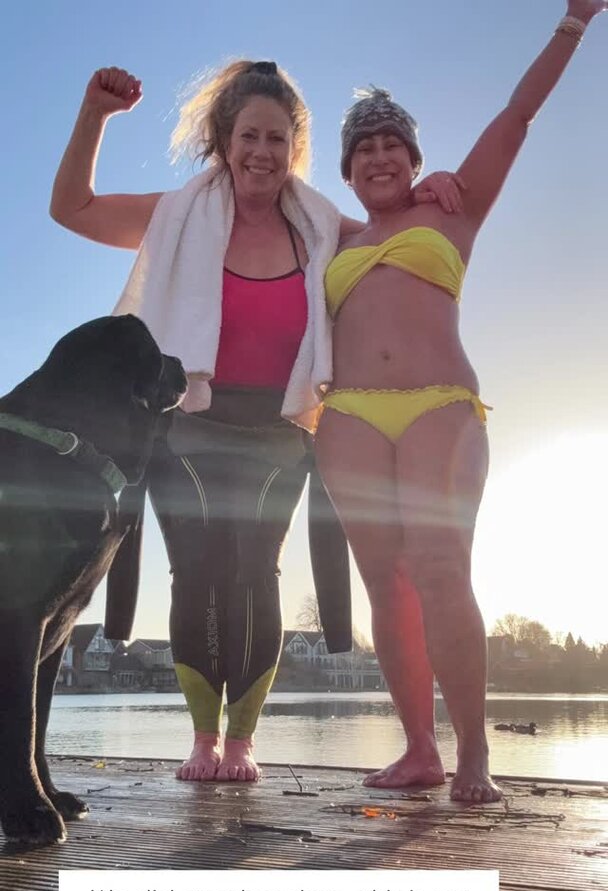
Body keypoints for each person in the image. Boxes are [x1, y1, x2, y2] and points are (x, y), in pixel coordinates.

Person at [50, 61, 461, 783]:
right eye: (249, 136)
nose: (262, 152)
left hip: (278, 433)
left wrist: (429, 191)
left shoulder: (320, 227)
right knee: (195, 571)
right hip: (186, 423)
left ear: (294, 149)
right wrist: (94, 114)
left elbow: (395, 242)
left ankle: (241, 742)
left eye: (277, 138)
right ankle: (202, 740)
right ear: (224, 140)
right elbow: (72, 208)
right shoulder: (178, 213)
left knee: (255, 573)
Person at [316, 2, 607, 803]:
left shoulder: (454, 206)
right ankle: (419, 750)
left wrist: (575, 21)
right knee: (385, 583)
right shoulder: (332, 237)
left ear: (415, 159)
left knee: (442, 567)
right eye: (363, 148)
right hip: (349, 416)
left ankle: (475, 751)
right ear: (347, 172)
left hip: (439, 407)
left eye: (392, 144)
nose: (378, 155)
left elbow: (517, 115)